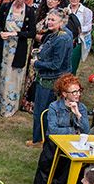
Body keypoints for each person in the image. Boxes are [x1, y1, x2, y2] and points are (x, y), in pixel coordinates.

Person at [31, 73, 91, 184]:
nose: (77, 94)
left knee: (83, 159)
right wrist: (74, 131)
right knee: (56, 156)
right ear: (64, 94)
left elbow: (86, 131)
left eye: (78, 91)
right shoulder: (54, 107)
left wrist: (78, 115)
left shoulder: (82, 108)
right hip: (55, 144)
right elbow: (52, 130)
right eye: (73, 92)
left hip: (73, 144)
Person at [30, 8, 74, 146]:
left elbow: (56, 64)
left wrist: (37, 63)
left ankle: (40, 139)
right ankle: (41, 137)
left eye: (53, 20)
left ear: (62, 22)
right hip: (48, 78)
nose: (49, 22)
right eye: (48, 19)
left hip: (52, 80)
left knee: (42, 110)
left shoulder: (62, 38)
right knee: (43, 110)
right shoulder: (53, 34)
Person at [66, 0, 93, 73]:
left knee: (72, 66)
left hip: (77, 41)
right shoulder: (64, 10)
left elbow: (88, 27)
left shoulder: (87, 11)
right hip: (65, 40)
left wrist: (78, 29)